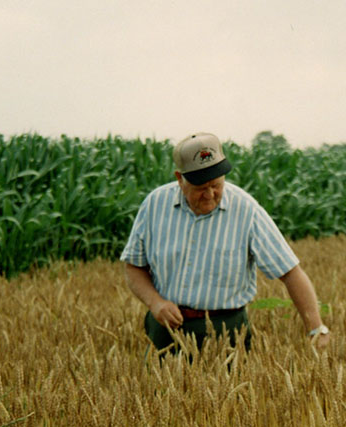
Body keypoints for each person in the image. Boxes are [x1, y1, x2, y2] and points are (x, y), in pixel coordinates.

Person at [121, 132, 331, 355]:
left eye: (216, 185)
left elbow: (290, 272)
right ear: (180, 179)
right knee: (157, 390)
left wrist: (316, 328)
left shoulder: (246, 210)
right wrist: (155, 303)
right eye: (201, 187)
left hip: (228, 333)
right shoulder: (154, 204)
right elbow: (134, 265)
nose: (210, 194)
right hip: (166, 332)